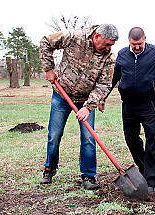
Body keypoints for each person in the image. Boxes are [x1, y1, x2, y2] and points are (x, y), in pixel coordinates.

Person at [39, 24, 118, 190]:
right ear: (97, 37)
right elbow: (46, 41)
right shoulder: (74, 37)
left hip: (85, 100)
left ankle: (88, 177)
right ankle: (49, 169)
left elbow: (103, 85)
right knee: (54, 135)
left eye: (111, 45)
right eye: (107, 44)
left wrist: (88, 107)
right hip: (61, 96)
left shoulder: (109, 58)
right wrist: (48, 68)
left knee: (89, 139)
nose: (109, 48)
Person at [102, 27, 155, 194]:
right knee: (131, 139)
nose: (137, 47)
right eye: (133, 44)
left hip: (150, 104)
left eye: (139, 44)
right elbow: (112, 79)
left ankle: (151, 181)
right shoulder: (122, 55)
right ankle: (144, 168)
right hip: (129, 105)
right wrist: (103, 98)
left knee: (153, 139)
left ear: (145, 39)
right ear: (129, 41)